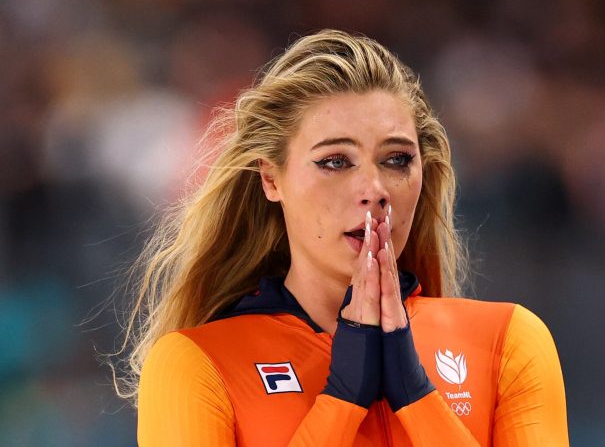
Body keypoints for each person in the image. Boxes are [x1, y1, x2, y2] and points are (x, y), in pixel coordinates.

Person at [120, 29, 568, 446]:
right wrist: (342, 399)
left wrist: (415, 395)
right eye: (335, 161)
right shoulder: (197, 363)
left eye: (396, 159)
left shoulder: (506, 341)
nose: (374, 189)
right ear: (271, 179)